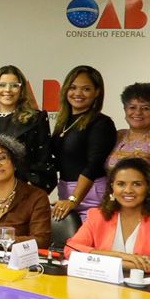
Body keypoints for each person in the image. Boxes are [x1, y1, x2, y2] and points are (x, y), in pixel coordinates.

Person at [64, 158, 150, 275]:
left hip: (143, 290)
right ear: (112, 187)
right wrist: (121, 257)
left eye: (137, 184)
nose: (128, 190)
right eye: (121, 184)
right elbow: (71, 250)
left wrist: (123, 264)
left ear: (149, 187)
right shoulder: (98, 216)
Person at [0, 65, 54, 191]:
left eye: (14, 85)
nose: (7, 90)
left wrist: (28, 188)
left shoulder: (37, 119)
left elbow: (44, 160)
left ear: (21, 90)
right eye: (2, 85)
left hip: (24, 190)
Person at [49, 65, 116, 221]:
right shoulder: (64, 121)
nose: (78, 93)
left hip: (92, 195)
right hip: (66, 192)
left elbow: (94, 165)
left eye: (86, 89)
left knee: (89, 237)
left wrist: (74, 199)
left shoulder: (101, 123)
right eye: (73, 87)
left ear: (97, 92)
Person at [107, 82, 150, 193]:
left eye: (145, 108)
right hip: (114, 198)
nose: (138, 112)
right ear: (125, 110)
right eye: (132, 107)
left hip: (144, 201)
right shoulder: (118, 135)